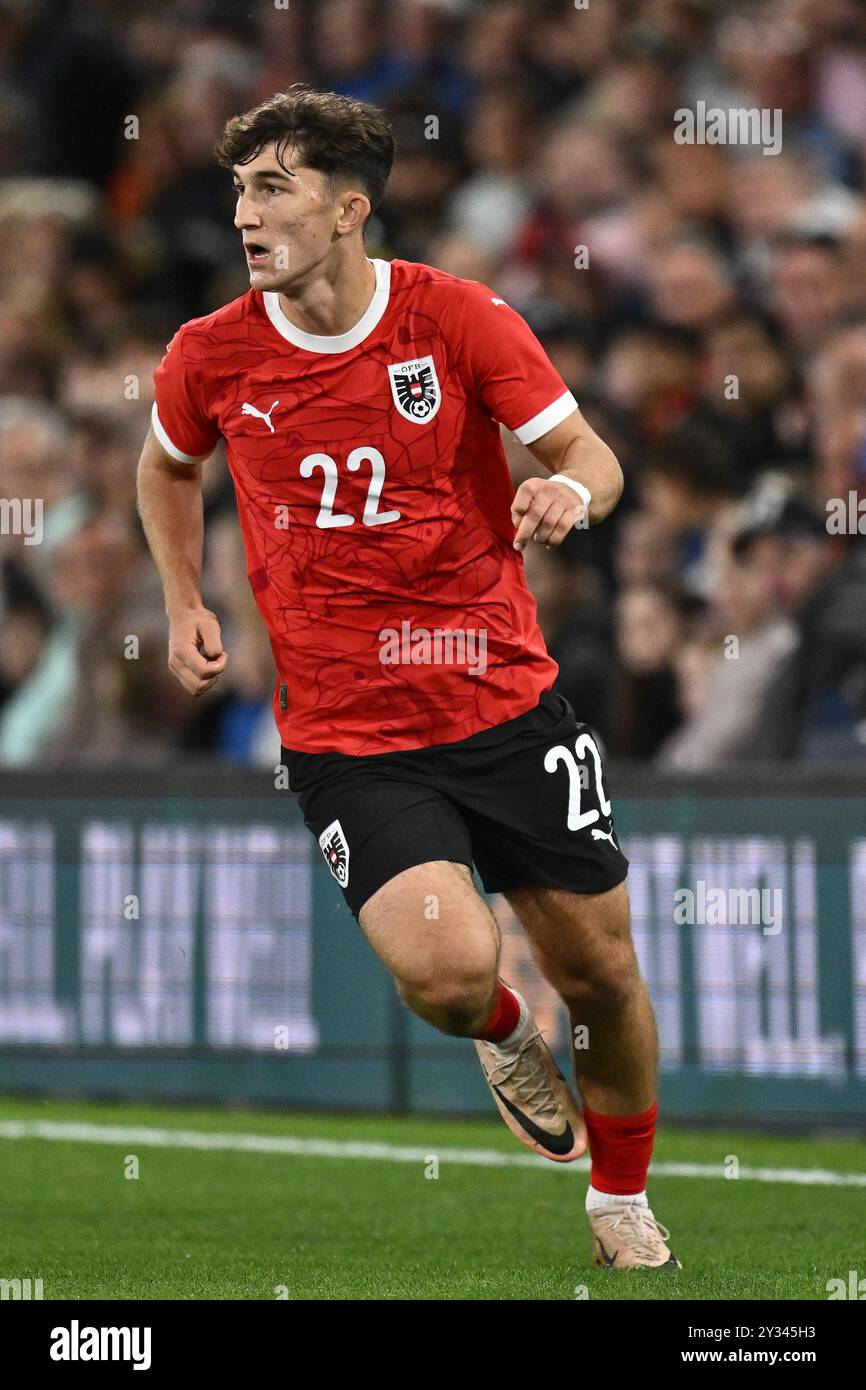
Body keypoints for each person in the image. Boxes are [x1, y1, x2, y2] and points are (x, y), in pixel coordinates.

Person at [136, 84, 678, 1271]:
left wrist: (568, 491)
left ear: (347, 209)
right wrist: (182, 599)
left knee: (598, 968)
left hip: (500, 699)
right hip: (346, 728)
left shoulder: (459, 319)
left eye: (269, 186)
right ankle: (498, 1032)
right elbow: (167, 467)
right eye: (236, 188)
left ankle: (621, 1201)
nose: (242, 212)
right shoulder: (210, 353)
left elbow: (588, 453)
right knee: (444, 974)